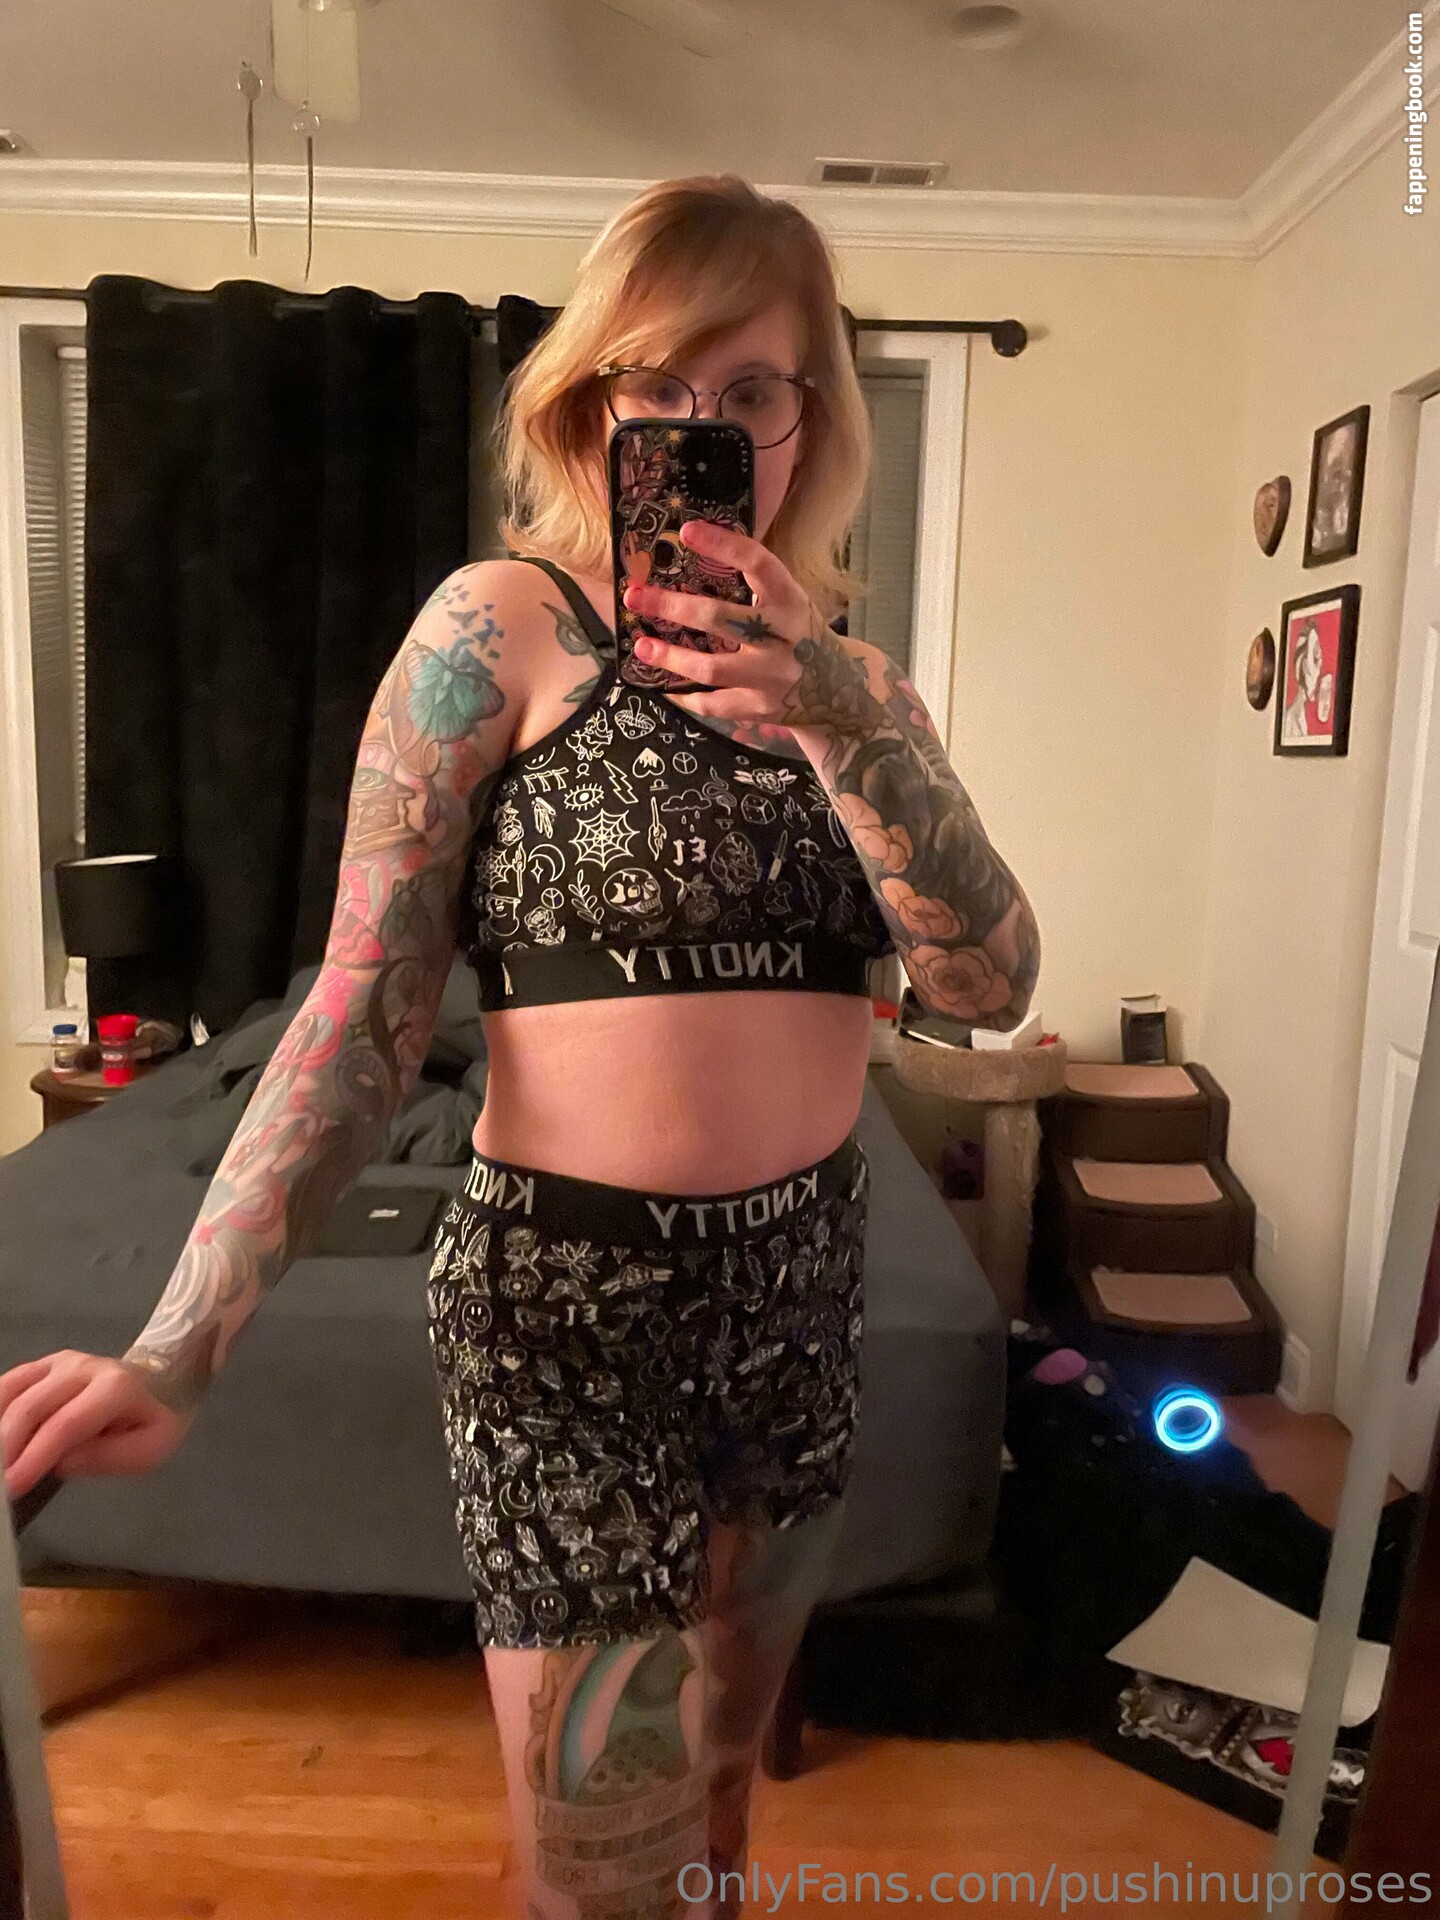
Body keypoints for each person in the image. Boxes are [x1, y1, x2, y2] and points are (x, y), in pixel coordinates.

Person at [0, 175, 1039, 1918]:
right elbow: (358, 1011)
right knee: (607, 1870)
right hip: (567, 1315)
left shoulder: (863, 690)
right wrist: (177, 1352)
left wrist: (843, 718)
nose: (706, 426)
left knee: (719, 1815)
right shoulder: (500, 627)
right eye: (660, 387)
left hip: (803, 1289)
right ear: (590, 404)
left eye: (754, 389)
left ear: (814, 415)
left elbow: (989, 980)